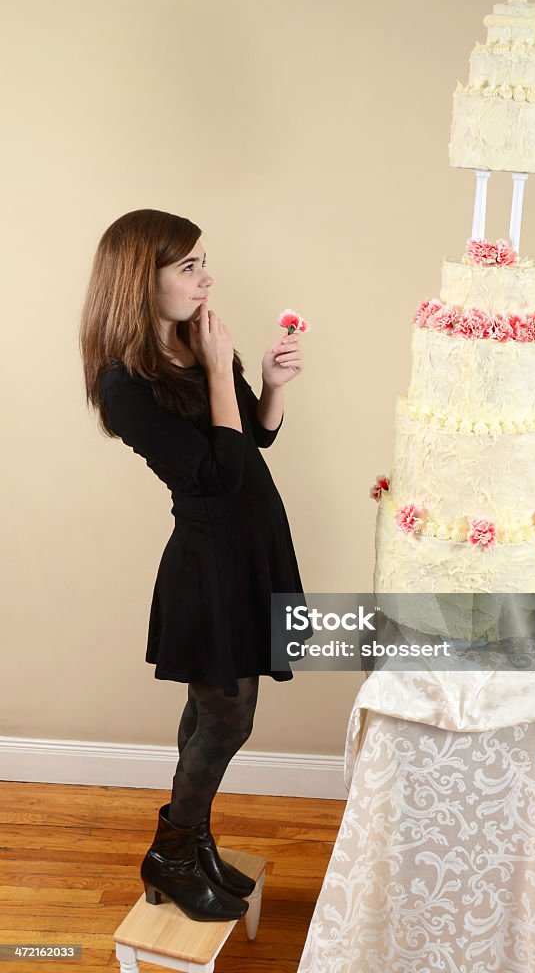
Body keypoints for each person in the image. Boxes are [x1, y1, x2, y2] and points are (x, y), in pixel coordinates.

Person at [80, 208, 306, 922]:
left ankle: (193, 841)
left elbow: (252, 444)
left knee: (209, 709)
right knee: (227, 715)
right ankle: (171, 853)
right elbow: (219, 473)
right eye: (188, 266)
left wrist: (266, 385)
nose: (206, 278)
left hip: (253, 544)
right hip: (209, 562)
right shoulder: (125, 384)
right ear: (139, 280)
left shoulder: (197, 341)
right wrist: (216, 369)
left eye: (204, 262)